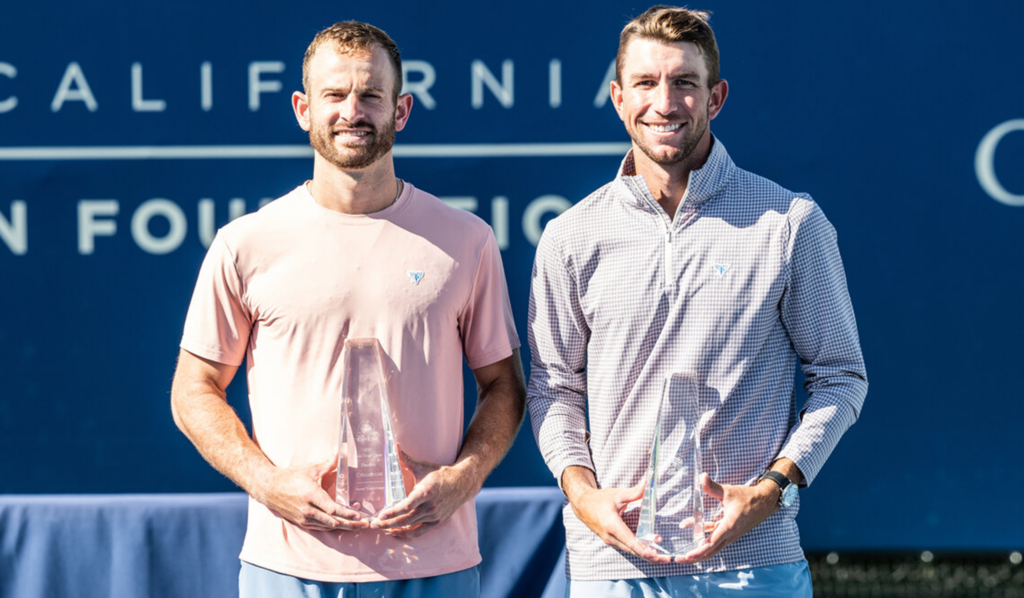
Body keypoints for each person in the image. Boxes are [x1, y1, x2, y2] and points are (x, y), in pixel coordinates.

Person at [170, 21, 525, 598]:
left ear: (401, 110)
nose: (352, 111)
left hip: (434, 566)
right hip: (288, 568)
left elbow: (505, 386)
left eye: (371, 95)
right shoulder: (246, 243)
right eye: (334, 95)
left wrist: (464, 478)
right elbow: (194, 388)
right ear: (302, 109)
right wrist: (266, 482)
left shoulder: (467, 241)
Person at [526, 6, 867, 597]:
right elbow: (553, 387)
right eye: (646, 83)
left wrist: (773, 488)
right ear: (617, 97)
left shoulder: (789, 224)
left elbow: (841, 377)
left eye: (685, 82)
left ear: (717, 97)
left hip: (753, 567)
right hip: (612, 568)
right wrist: (584, 497)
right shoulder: (570, 235)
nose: (665, 102)